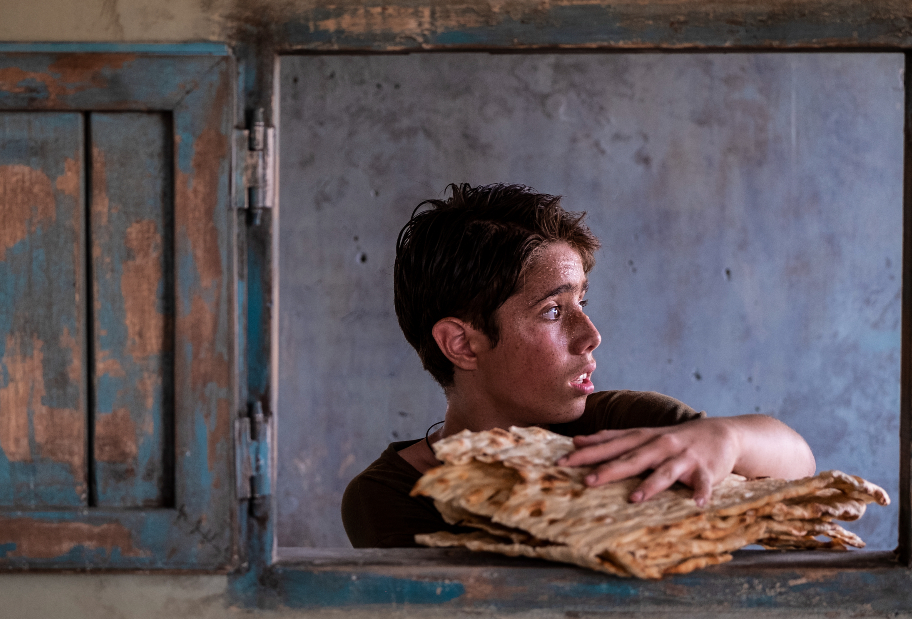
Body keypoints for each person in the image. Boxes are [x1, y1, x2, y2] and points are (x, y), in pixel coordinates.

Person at [340, 183, 816, 548]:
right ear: (462, 344)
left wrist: (726, 439)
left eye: (583, 302)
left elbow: (800, 472)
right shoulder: (392, 495)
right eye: (553, 311)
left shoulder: (626, 429)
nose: (591, 335)